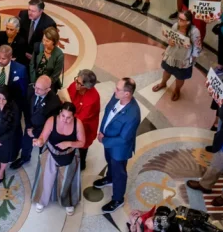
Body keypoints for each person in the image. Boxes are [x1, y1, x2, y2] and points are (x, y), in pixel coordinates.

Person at [94, 78, 141, 213]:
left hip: (119, 149)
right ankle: (109, 178)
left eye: (118, 89)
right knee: (109, 162)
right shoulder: (116, 97)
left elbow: (124, 139)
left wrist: (104, 140)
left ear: (127, 94)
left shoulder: (133, 114)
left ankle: (118, 199)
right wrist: (102, 132)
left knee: (119, 174)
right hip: (107, 141)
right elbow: (107, 114)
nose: (115, 90)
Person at [31, 101, 84, 215]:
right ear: (60, 112)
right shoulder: (52, 120)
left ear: (73, 116)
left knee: (66, 181)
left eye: (68, 117)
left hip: (69, 154)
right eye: (63, 116)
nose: (65, 119)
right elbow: (43, 138)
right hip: (51, 153)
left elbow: (82, 143)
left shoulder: (78, 123)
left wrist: (68, 143)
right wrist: (39, 142)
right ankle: (42, 200)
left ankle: (67, 202)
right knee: (46, 178)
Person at [12, 75, 61, 171]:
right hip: (30, 124)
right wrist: (29, 126)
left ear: (48, 89)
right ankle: (25, 158)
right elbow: (27, 110)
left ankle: (42, 165)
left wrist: (34, 132)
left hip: (42, 131)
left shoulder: (54, 103)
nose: (36, 90)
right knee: (26, 143)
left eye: (40, 89)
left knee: (42, 149)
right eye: (36, 86)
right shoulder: (31, 89)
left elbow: (50, 123)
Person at [152, 10, 202, 101]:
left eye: (182, 20)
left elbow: (197, 47)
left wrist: (192, 59)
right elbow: (171, 36)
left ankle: (177, 89)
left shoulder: (195, 32)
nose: (179, 21)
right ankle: (163, 83)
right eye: (178, 18)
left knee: (180, 77)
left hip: (184, 58)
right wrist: (169, 41)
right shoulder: (175, 26)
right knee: (167, 70)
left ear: (188, 22)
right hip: (172, 54)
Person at [67, 69, 100, 171]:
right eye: (76, 79)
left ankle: (81, 165)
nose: (75, 83)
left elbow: (82, 118)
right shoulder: (75, 84)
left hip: (85, 127)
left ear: (86, 86)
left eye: (79, 83)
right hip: (71, 120)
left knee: (82, 147)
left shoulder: (93, 98)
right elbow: (67, 94)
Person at [29, 26, 65, 92]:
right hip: (34, 81)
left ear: (54, 42)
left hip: (48, 85)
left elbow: (55, 75)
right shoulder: (38, 47)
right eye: (43, 39)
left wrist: (44, 85)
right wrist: (34, 81)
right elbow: (32, 65)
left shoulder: (59, 55)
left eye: (47, 41)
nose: (44, 43)